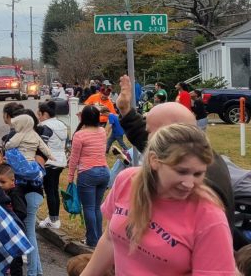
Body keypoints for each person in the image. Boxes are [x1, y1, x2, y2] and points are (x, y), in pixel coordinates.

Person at [80, 123, 236, 275]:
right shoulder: (127, 181)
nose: (189, 184)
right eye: (181, 172)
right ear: (154, 160)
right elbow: (109, 240)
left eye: (198, 174)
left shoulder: (209, 217)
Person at [115, 74, 248, 250]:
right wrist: (125, 111)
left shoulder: (200, 183)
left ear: (171, 133)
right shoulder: (194, 156)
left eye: (151, 132)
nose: (149, 139)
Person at [3, 113, 50, 276]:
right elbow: (47, 153)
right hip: (36, 187)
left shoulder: (19, 136)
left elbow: (8, 146)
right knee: (30, 230)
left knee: (28, 231)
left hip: (24, 187)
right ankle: (37, 270)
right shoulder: (37, 136)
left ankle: (32, 272)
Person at [68, 104, 110, 247]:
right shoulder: (102, 131)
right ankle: (99, 239)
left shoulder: (79, 135)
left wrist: (70, 177)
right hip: (104, 171)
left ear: (84, 118)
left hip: (87, 173)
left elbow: (74, 159)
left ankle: (92, 240)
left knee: (89, 208)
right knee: (97, 207)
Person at [0, 165, 28, 276]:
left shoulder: (15, 193)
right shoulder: (2, 193)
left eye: (3, 182)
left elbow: (22, 212)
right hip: (6, 232)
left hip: (15, 233)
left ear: (12, 181)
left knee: (15, 262)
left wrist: (8, 219)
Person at [37, 101, 68, 230]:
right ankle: (53, 218)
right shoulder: (62, 125)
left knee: (50, 191)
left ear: (45, 114)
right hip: (60, 161)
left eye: (39, 114)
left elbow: (41, 146)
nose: (38, 116)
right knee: (54, 190)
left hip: (48, 162)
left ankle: (54, 219)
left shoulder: (44, 127)